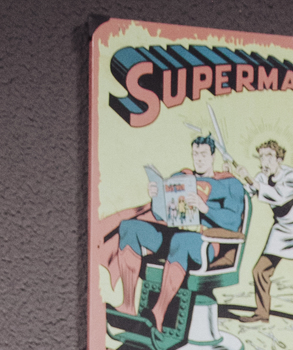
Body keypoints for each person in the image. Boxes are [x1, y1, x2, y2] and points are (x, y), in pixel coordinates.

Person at [96, 136, 245, 338]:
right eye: (195, 154)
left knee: (180, 241)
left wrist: (205, 208)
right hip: (175, 232)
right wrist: (157, 197)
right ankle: (128, 306)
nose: (199, 159)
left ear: (212, 156)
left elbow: (233, 222)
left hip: (205, 242)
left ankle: (158, 313)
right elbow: (160, 216)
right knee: (130, 227)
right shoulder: (181, 177)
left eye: (203, 154)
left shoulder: (229, 184)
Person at [237, 140, 293, 332]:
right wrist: (233, 178)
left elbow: (280, 196)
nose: (264, 161)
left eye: (269, 156)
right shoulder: (261, 177)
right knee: (260, 270)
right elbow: (245, 194)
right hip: (282, 229)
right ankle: (262, 312)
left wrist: (251, 181)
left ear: (279, 159)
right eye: (261, 157)